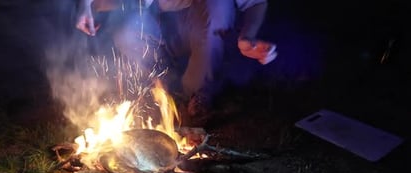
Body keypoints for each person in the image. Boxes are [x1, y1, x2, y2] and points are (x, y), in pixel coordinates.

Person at [75, 0, 277, 125]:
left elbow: (255, 2)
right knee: (127, 26)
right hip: (158, 28)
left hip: (202, 27)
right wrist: (85, 5)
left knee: (220, 5)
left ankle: (198, 93)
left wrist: (247, 37)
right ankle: (160, 91)